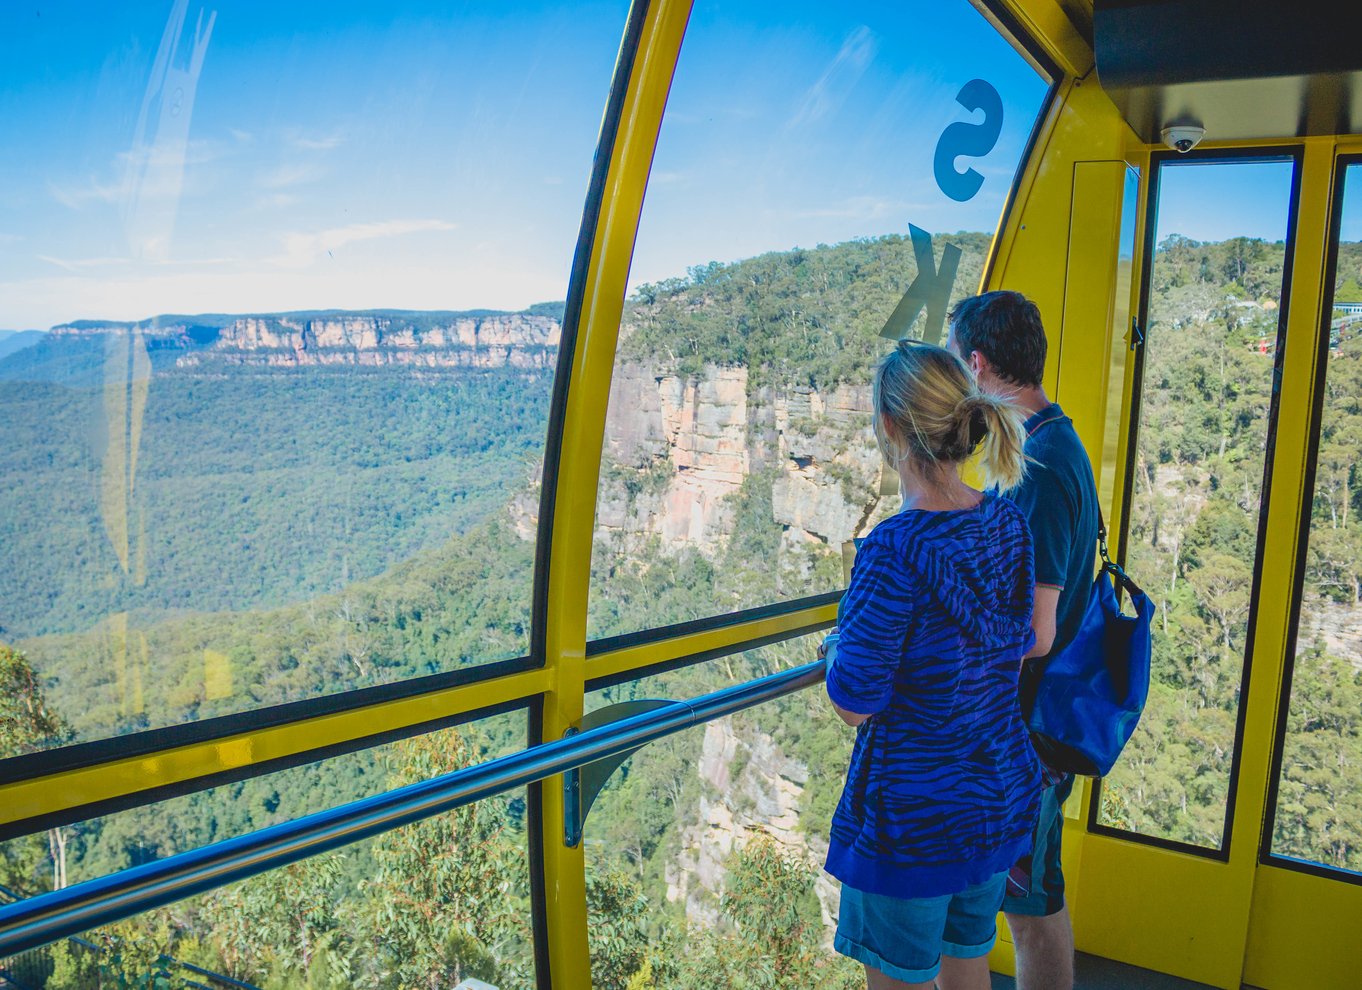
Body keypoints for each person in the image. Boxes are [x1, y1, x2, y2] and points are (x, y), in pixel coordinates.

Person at [823, 339, 1041, 990]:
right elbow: (1015, 640)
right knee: (968, 964)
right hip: (994, 799)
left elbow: (854, 700)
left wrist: (834, 649)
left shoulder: (892, 552)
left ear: (890, 429)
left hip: (914, 820)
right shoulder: (1008, 526)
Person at [947, 290, 1100, 990]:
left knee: (1031, 902)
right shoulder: (1053, 442)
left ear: (978, 364)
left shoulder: (1040, 469)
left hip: (1026, 733)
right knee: (1027, 894)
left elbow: (1035, 634)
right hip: (1030, 724)